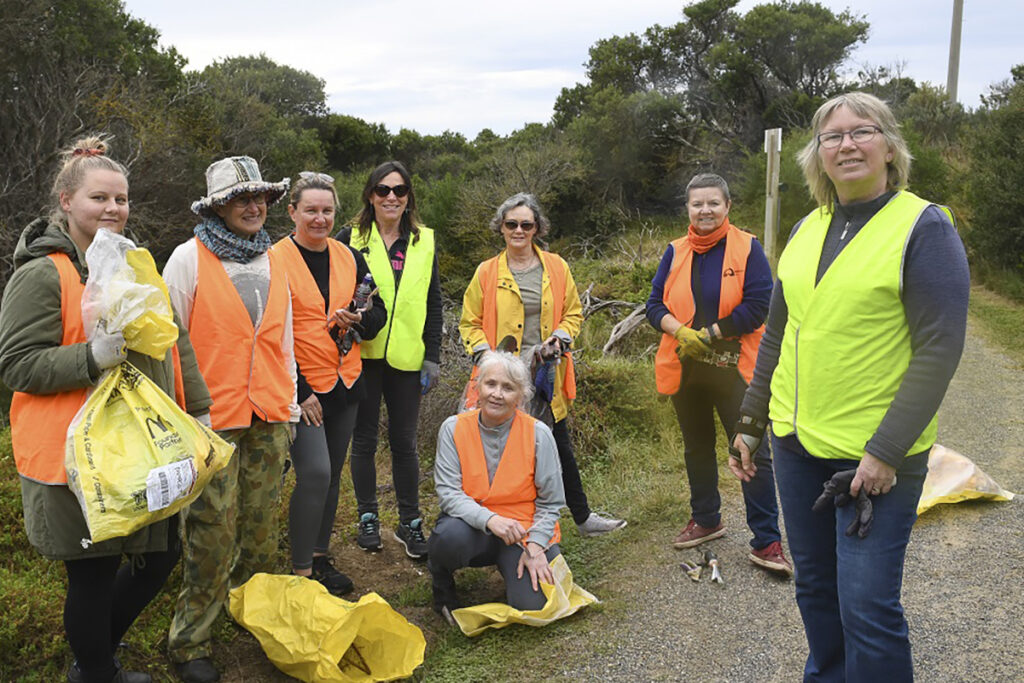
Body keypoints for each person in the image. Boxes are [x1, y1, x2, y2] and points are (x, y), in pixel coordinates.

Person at [731, 91, 969, 682]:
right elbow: (780, 335)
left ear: (889, 147)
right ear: (818, 155)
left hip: (874, 459)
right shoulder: (807, 228)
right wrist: (751, 424)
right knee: (816, 590)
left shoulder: (924, 226)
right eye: (832, 136)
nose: (847, 144)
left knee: (867, 604)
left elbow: (939, 349)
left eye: (862, 131)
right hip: (794, 445)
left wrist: (886, 452)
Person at [0, 136, 211, 683]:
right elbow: (17, 364)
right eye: (100, 198)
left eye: (121, 198)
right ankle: (96, 671)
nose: (113, 209)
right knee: (92, 576)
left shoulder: (133, 262)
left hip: (140, 446)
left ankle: (94, 656)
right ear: (67, 201)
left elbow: (173, 338)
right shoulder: (42, 274)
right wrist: (89, 357)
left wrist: (201, 408)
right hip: (74, 457)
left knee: (159, 557)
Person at [163, 156, 299, 683]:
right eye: (241, 198)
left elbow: (281, 340)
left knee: (261, 527)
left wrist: (287, 406)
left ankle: (252, 613)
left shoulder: (277, 258)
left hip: (267, 412)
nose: (254, 205)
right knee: (210, 530)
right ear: (217, 207)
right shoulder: (186, 259)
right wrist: (181, 419)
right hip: (208, 420)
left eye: (260, 196)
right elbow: (169, 344)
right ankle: (190, 641)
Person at [645, 173, 790, 575]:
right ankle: (707, 519)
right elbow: (654, 305)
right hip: (687, 368)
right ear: (687, 209)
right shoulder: (675, 252)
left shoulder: (748, 247)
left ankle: (767, 540)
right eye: (697, 204)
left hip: (736, 369)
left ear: (727, 206)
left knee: (751, 450)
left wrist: (709, 333)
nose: (704, 210)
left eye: (713, 203)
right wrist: (680, 332)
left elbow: (759, 307)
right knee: (696, 447)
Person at [459, 192, 625, 538]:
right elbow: (469, 322)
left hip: (546, 372)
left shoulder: (557, 266)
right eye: (511, 224)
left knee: (555, 443)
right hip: (498, 377)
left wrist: (561, 339)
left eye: (526, 224)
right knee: (496, 450)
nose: (518, 230)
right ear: (501, 228)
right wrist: (485, 356)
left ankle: (580, 518)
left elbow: (573, 312)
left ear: (537, 228)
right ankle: (488, 522)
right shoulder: (487, 272)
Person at [269, 171, 386, 594]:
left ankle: (320, 557)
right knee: (315, 472)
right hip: (303, 388)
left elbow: (377, 314)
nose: (319, 219)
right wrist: (300, 392)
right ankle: (300, 573)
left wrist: (361, 319)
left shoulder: (349, 255)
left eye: (327, 210)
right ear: (292, 212)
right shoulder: (273, 259)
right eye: (310, 210)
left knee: (333, 474)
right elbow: (269, 333)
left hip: (347, 382)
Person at [337, 161, 441, 558]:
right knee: (363, 440)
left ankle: (410, 523)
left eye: (399, 190)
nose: (392, 197)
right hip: (363, 354)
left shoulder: (424, 240)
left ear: (409, 196)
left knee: (404, 443)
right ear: (370, 195)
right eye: (383, 190)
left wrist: (432, 356)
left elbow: (432, 302)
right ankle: (368, 517)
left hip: (407, 357)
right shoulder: (350, 238)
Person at [427, 351, 566, 624]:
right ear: (476, 387)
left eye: (508, 388)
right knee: (447, 538)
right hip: (473, 526)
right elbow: (448, 493)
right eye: (491, 384)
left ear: (521, 396)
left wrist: (537, 546)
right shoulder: (452, 428)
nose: (497, 394)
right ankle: (442, 585)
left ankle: (516, 567)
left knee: (536, 607)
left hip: (523, 532)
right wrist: (490, 520)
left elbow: (551, 504)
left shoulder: (539, 434)